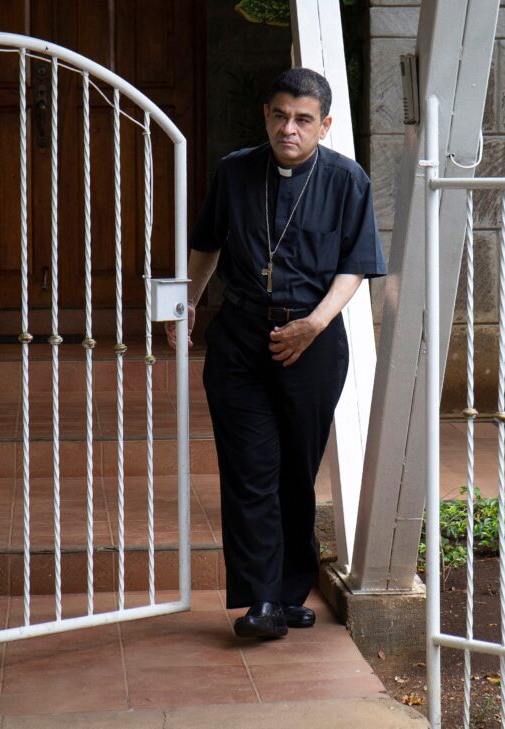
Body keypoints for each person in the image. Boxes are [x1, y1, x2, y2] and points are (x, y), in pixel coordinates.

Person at [167, 67, 386, 639]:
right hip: (240, 338)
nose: (289, 128)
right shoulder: (236, 170)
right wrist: (187, 303)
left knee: (296, 471)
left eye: (303, 120)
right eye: (280, 116)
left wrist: (314, 324)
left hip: (311, 343)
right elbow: (207, 245)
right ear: (267, 115)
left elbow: (356, 264)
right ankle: (260, 602)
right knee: (249, 472)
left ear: (324, 125)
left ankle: (290, 593)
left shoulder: (346, 179)